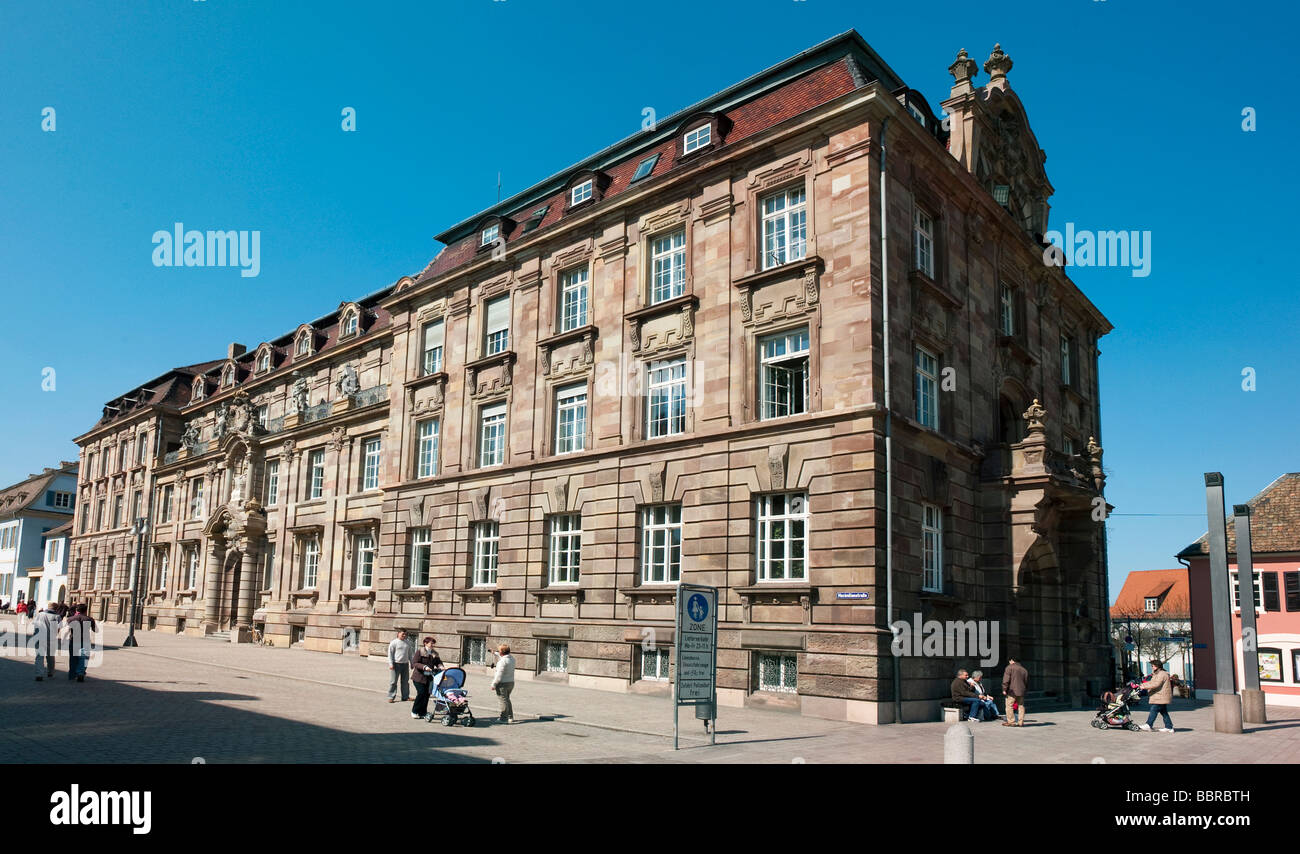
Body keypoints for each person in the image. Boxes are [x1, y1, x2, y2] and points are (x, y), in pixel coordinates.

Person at [410, 637, 444, 722]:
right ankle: (414, 711)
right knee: (421, 693)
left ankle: (423, 712)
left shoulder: (434, 653)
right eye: (431, 643)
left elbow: (438, 662)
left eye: (433, 643)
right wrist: (424, 667)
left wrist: (440, 666)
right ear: (425, 643)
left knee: (427, 695)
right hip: (419, 677)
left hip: (429, 677)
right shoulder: (420, 651)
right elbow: (415, 663)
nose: (432, 645)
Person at [1139, 659, 1175, 732]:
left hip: (1160, 696)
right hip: (1159, 695)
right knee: (1164, 712)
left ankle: (1148, 724)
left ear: (1157, 666)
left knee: (1154, 709)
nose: (1152, 667)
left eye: (1153, 666)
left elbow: (1156, 684)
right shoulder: (1157, 674)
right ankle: (1169, 727)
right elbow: (1152, 682)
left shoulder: (1162, 674)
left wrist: (1144, 687)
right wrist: (1141, 685)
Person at [65, 604, 96, 682]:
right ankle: (80, 673)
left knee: (73, 658)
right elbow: (95, 630)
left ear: (77, 610)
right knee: (83, 657)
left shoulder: (70, 619)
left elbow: (67, 629)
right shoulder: (89, 619)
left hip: (73, 640)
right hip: (85, 640)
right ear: (86, 610)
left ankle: (72, 674)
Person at [31, 601, 61, 681]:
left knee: (39, 657)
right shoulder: (57, 617)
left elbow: (35, 625)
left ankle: (39, 674)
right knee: (50, 657)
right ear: (56, 608)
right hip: (50, 639)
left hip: (39, 637)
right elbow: (58, 629)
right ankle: (50, 672)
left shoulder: (40, 614)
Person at [386, 628, 413, 703]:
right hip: (396, 664)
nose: (404, 635)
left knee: (405, 681)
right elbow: (390, 654)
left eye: (405, 634)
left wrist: (412, 663)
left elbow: (410, 653)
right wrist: (391, 664)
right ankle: (391, 697)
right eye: (402, 634)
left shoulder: (408, 643)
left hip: (405, 664)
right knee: (393, 682)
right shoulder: (394, 642)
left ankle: (405, 696)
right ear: (398, 634)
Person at [491, 643, 516, 724]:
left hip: (502, 683)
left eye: (499, 650)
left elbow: (499, 674)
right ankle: (510, 717)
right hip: (511, 683)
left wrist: (494, 684)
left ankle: (503, 718)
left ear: (502, 652)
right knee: (507, 699)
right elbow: (504, 656)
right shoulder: (512, 659)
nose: (498, 652)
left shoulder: (502, 662)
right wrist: (495, 653)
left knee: (503, 701)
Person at [1002, 656, 1029, 727]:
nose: (1009, 662)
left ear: (1012, 660)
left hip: (1012, 690)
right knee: (1021, 706)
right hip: (1021, 691)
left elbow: (1006, 680)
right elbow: (1026, 682)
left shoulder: (1009, 667)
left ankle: (1011, 722)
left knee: (1009, 706)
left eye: (1009, 661)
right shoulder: (1024, 670)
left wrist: (1004, 689)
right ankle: (1021, 722)